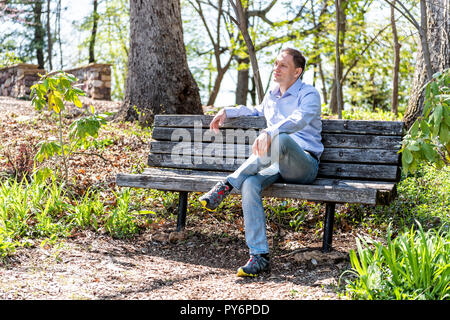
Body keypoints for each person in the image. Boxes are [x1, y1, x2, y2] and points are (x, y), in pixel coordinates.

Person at [199, 48, 323, 277]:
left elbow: (300, 119)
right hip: (276, 164)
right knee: (250, 184)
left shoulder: (309, 94)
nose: (276, 69)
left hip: (304, 164)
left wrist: (270, 131)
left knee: (282, 138)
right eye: (275, 64)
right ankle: (259, 256)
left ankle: (226, 184)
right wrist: (229, 111)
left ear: (297, 71)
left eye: (283, 65)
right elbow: (257, 111)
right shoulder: (272, 94)